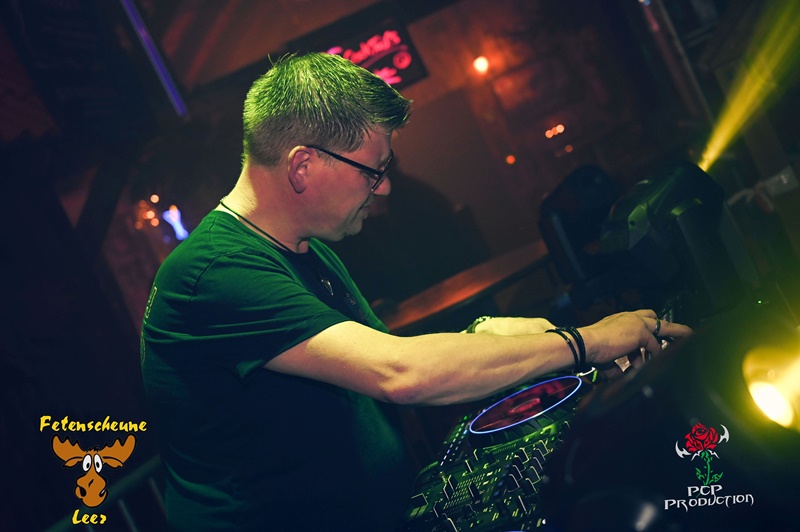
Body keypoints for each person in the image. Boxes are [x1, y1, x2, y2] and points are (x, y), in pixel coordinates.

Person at [140, 52, 692, 531]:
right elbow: (400, 374)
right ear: (302, 166)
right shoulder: (214, 272)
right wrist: (587, 342)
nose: (383, 187)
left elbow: (381, 354)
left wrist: (491, 333)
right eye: (372, 170)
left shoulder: (306, 249)